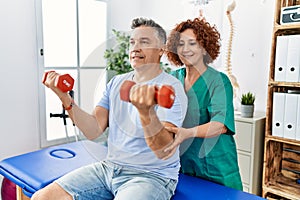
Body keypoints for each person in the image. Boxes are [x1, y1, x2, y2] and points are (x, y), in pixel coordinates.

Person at [32, 17, 187, 200]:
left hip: (151, 176)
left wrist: (147, 113)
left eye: (144, 42)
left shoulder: (171, 88)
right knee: (42, 197)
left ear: (161, 49)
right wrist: (64, 97)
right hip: (109, 168)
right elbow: (93, 129)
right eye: (132, 42)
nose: (135, 48)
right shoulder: (117, 82)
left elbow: (164, 150)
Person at [164, 17, 243, 190]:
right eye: (181, 44)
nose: (186, 50)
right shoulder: (172, 79)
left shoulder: (218, 81)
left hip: (216, 168)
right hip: (184, 166)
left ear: (204, 47)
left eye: (192, 43)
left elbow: (220, 125)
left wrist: (187, 133)